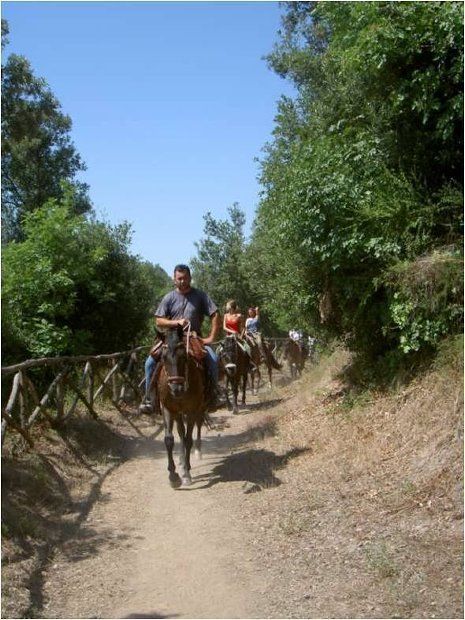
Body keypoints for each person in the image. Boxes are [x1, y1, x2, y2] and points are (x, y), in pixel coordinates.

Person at [140, 264, 221, 414]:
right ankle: (150, 400)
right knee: (149, 363)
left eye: (185, 278)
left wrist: (211, 337)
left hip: (193, 337)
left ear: (190, 278)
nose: (182, 281)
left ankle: (214, 396)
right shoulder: (169, 297)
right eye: (179, 278)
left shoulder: (200, 296)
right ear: (174, 279)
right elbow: (158, 320)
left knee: (213, 360)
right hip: (171, 339)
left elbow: (215, 314)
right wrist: (176, 322)